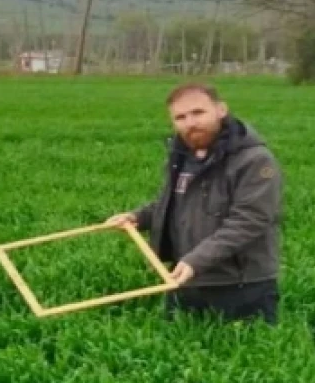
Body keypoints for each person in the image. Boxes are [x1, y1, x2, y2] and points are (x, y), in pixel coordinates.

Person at [106, 81, 284, 324]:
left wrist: (195, 260)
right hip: (185, 279)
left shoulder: (254, 160)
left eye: (198, 112)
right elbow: (173, 203)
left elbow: (249, 221)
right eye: (180, 117)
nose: (190, 123)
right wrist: (137, 217)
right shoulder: (183, 157)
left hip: (240, 286)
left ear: (221, 110)